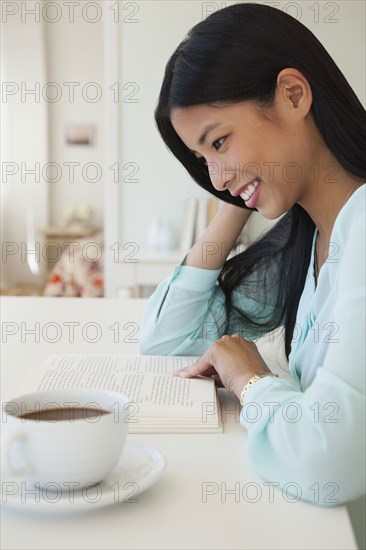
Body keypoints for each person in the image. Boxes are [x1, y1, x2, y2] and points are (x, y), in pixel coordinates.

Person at [138, 3, 366, 507]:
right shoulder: (309, 240)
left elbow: (329, 461)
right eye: (202, 160)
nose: (214, 178)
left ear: (292, 94)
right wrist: (237, 199)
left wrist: (249, 379)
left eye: (219, 141)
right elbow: (163, 343)